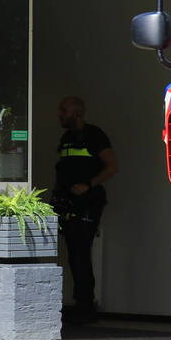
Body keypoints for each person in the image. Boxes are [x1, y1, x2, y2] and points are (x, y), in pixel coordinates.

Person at [53, 96, 118, 324]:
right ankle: (80, 303)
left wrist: (89, 185)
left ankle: (86, 307)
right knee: (73, 253)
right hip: (67, 203)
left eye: (63, 110)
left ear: (77, 113)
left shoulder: (94, 135)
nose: (60, 114)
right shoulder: (66, 138)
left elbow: (112, 166)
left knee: (81, 252)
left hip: (88, 203)